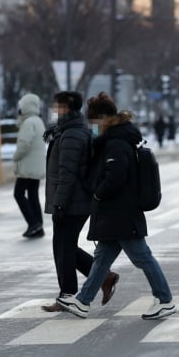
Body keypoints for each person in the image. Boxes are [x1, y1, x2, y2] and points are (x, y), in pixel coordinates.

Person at [57, 93, 177, 320]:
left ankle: (165, 300)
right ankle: (83, 302)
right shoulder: (116, 139)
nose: (91, 127)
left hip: (121, 212)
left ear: (102, 119)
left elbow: (116, 175)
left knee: (142, 257)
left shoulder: (116, 142)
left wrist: (99, 194)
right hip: (115, 213)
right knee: (102, 258)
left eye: (93, 121)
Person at [41, 91, 119, 312]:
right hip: (73, 199)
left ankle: (67, 295)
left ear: (66, 108)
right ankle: (104, 277)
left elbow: (67, 173)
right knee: (64, 246)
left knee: (63, 248)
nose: (55, 110)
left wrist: (60, 204)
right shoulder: (67, 131)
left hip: (73, 201)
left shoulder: (72, 135)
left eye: (57, 106)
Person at [13, 94, 46, 238]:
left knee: (18, 193)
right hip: (36, 165)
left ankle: (33, 223)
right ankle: (38, 226)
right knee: (33, 195)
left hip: (27, 166)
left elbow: (24, 144)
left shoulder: (28, 122)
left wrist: (16, 157)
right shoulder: (38, 120)